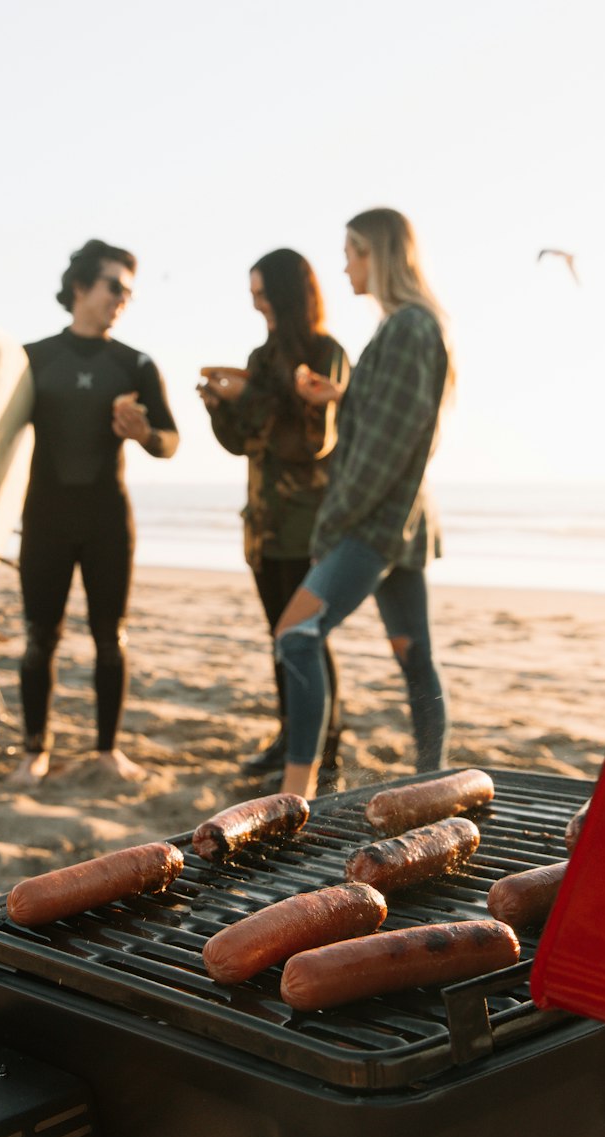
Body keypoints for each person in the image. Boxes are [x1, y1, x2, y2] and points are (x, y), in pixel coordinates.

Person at [274, 208, 454, 800]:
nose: (344, 265)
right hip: (400, 522)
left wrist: (334, 521)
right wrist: (343, 396)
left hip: (375, 522)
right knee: (414, 658)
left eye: (351, 252)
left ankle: (295, 794)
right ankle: (433, 779)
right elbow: (393, 417)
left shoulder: (408, 328)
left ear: (377, 254)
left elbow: (387, 445)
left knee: (295, 633)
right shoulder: (410, 328)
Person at [13, 239, 179, 785]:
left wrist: (146, 434)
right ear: (81, 287)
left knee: (111, 636)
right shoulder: (32, 358)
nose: (122, 299)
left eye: (129, 292)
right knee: (41, 636)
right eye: (115, 286)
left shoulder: (133, 363)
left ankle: (108, 752)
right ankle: (34, 751)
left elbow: (171, 440)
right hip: (45, 518)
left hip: (108, 521)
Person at [199, 249, 349, 785]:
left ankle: (324, 747)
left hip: (309, 520)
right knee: (278, 635)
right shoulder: (261, 357)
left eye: (261, 292)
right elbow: (244, 442)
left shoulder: (326, 352)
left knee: (304, 635)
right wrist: (221, 406)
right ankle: (291, 734)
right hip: (263, 521)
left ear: (286, 293)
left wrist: (251, 395)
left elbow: (309, 439)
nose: (254, 301)